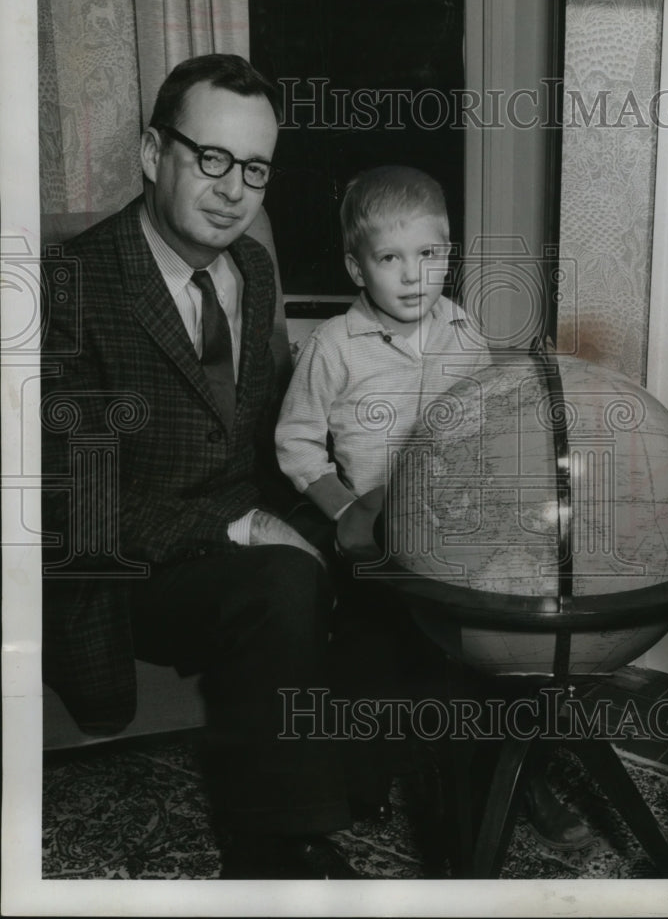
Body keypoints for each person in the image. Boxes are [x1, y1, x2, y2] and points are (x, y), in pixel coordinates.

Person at [40, 53, 359, 880]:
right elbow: (75, 501)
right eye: (209, 158)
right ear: (153, 154)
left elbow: (265, 427)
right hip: (128, 563)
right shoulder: (67, 285)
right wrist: (236, 526)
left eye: (253, 168)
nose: (232, 190)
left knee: (393, 534)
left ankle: (413, 770)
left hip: (239, 510)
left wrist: (342, 494)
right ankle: (271, 852)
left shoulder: (251, 264)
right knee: (280, 583)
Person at [275, 165, 592, 852]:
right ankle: (359, 784)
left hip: (453, 538)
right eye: (390, 258)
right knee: (368, 660)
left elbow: (480, 423)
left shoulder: (462, 329)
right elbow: (296, 445)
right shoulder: (333, 346)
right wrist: (343, 511)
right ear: (356, 268)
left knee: (493, 657)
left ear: (449, 255)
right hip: (375, 544)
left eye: (431, 254)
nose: (414, 276)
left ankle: (515, 774)